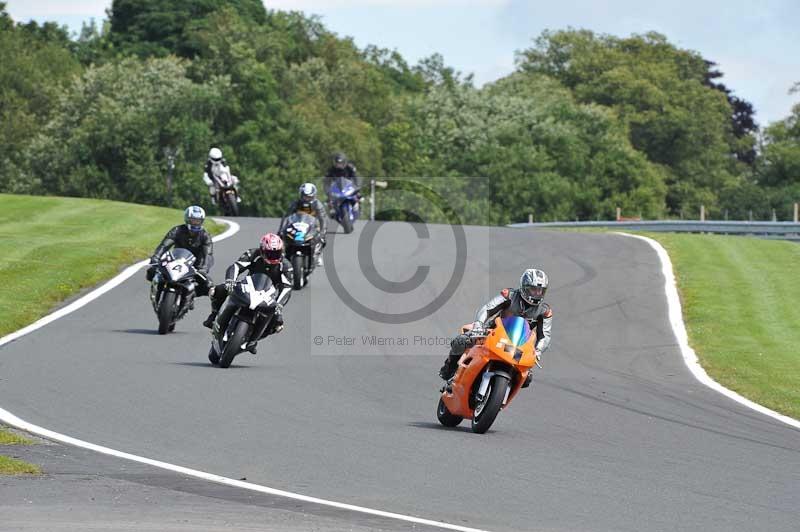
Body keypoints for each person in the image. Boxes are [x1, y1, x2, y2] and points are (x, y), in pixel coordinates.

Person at [438, 268, 553, 387]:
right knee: (461, 341)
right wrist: (479, 324)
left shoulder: (544, 312)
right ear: (524, 287)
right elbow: (488, 308)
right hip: (492, 334)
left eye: (540, 290)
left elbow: (545, 336)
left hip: (516, 347)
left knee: (526, 378)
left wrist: (538, 351)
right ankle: (449, 369)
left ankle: (500, 396)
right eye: (533, 289)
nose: (537, 293)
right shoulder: (510, 296)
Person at [203, 233, 293, 354]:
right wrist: (230, 281)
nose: (273, 257)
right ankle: (213, 315)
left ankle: (253, 340)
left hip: (267, 295)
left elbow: (287, 287)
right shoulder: (253, 254)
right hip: (248, 285)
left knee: (277, 324)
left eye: (276, 253)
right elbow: (236, 266)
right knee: (217, 290)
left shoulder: (286, 265)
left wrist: (279, 305)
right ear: (262, 250)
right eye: (269, 253)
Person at [146, 206, 214, 297]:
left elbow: (208, 254)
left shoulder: (205, 235)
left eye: (198, 221)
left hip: (195, 266)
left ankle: (191, 295)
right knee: (151, 272)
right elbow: (164, 246)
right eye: (193, 220)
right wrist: (156, 258)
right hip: (176, 260)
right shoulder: (177, 231)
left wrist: (204, 268)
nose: (195, 223)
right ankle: (157, 290)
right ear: (187, 220)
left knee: (209, 286)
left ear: (202, 221)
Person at [279, 183, 327, 267]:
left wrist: (323, 232)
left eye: (309, 197)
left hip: (312, 226)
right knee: (284, 237)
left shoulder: (317, 205)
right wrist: (281, 230)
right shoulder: (296, 203)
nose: (306, 199)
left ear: (314, 196)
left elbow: (323, 219)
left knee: (321, 240)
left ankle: (317, 255)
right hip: (297, 225)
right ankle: (284, 253)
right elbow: (287, 216)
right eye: (305, 196)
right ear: (301, 195)